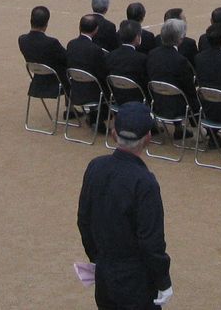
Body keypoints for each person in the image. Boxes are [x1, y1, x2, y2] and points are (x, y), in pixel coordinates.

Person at [77, 102, 173, 309]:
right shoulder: (145, 182)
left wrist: (98, 259)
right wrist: (163, 280)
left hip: (104, 274)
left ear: (113, 133)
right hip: (136, 282)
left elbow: (83, 220)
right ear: (148, 138)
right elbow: (151, 242)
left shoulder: (95, 167)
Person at [18, 5, 67, 95]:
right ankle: (70, 106)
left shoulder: (22, 39)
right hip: (55, 80)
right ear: (46, 24)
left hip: (37, 79)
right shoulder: (51, 42)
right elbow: (66, 59)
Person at [105, 20, 149, 105]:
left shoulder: (111, 56)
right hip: (138, 100)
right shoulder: (142, 58)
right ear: (137, 37)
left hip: (117, 99)